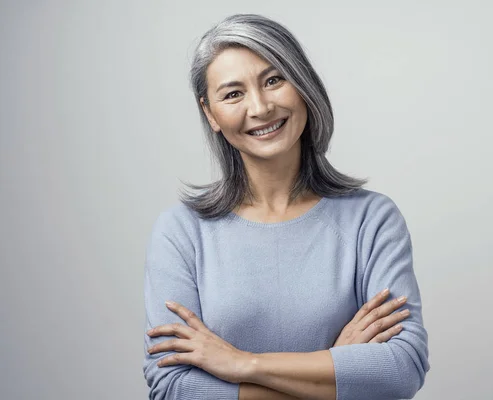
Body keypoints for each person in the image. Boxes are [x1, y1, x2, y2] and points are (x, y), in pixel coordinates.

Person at [143, 14, 430, 400]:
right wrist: (337, 365)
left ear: (302, 85)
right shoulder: (181, 232)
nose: (260, 107)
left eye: (273, 80)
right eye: (233, 94)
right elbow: (172, 387)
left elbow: (401, 370)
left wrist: (244, 363)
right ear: (210, 113)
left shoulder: (372, 220)